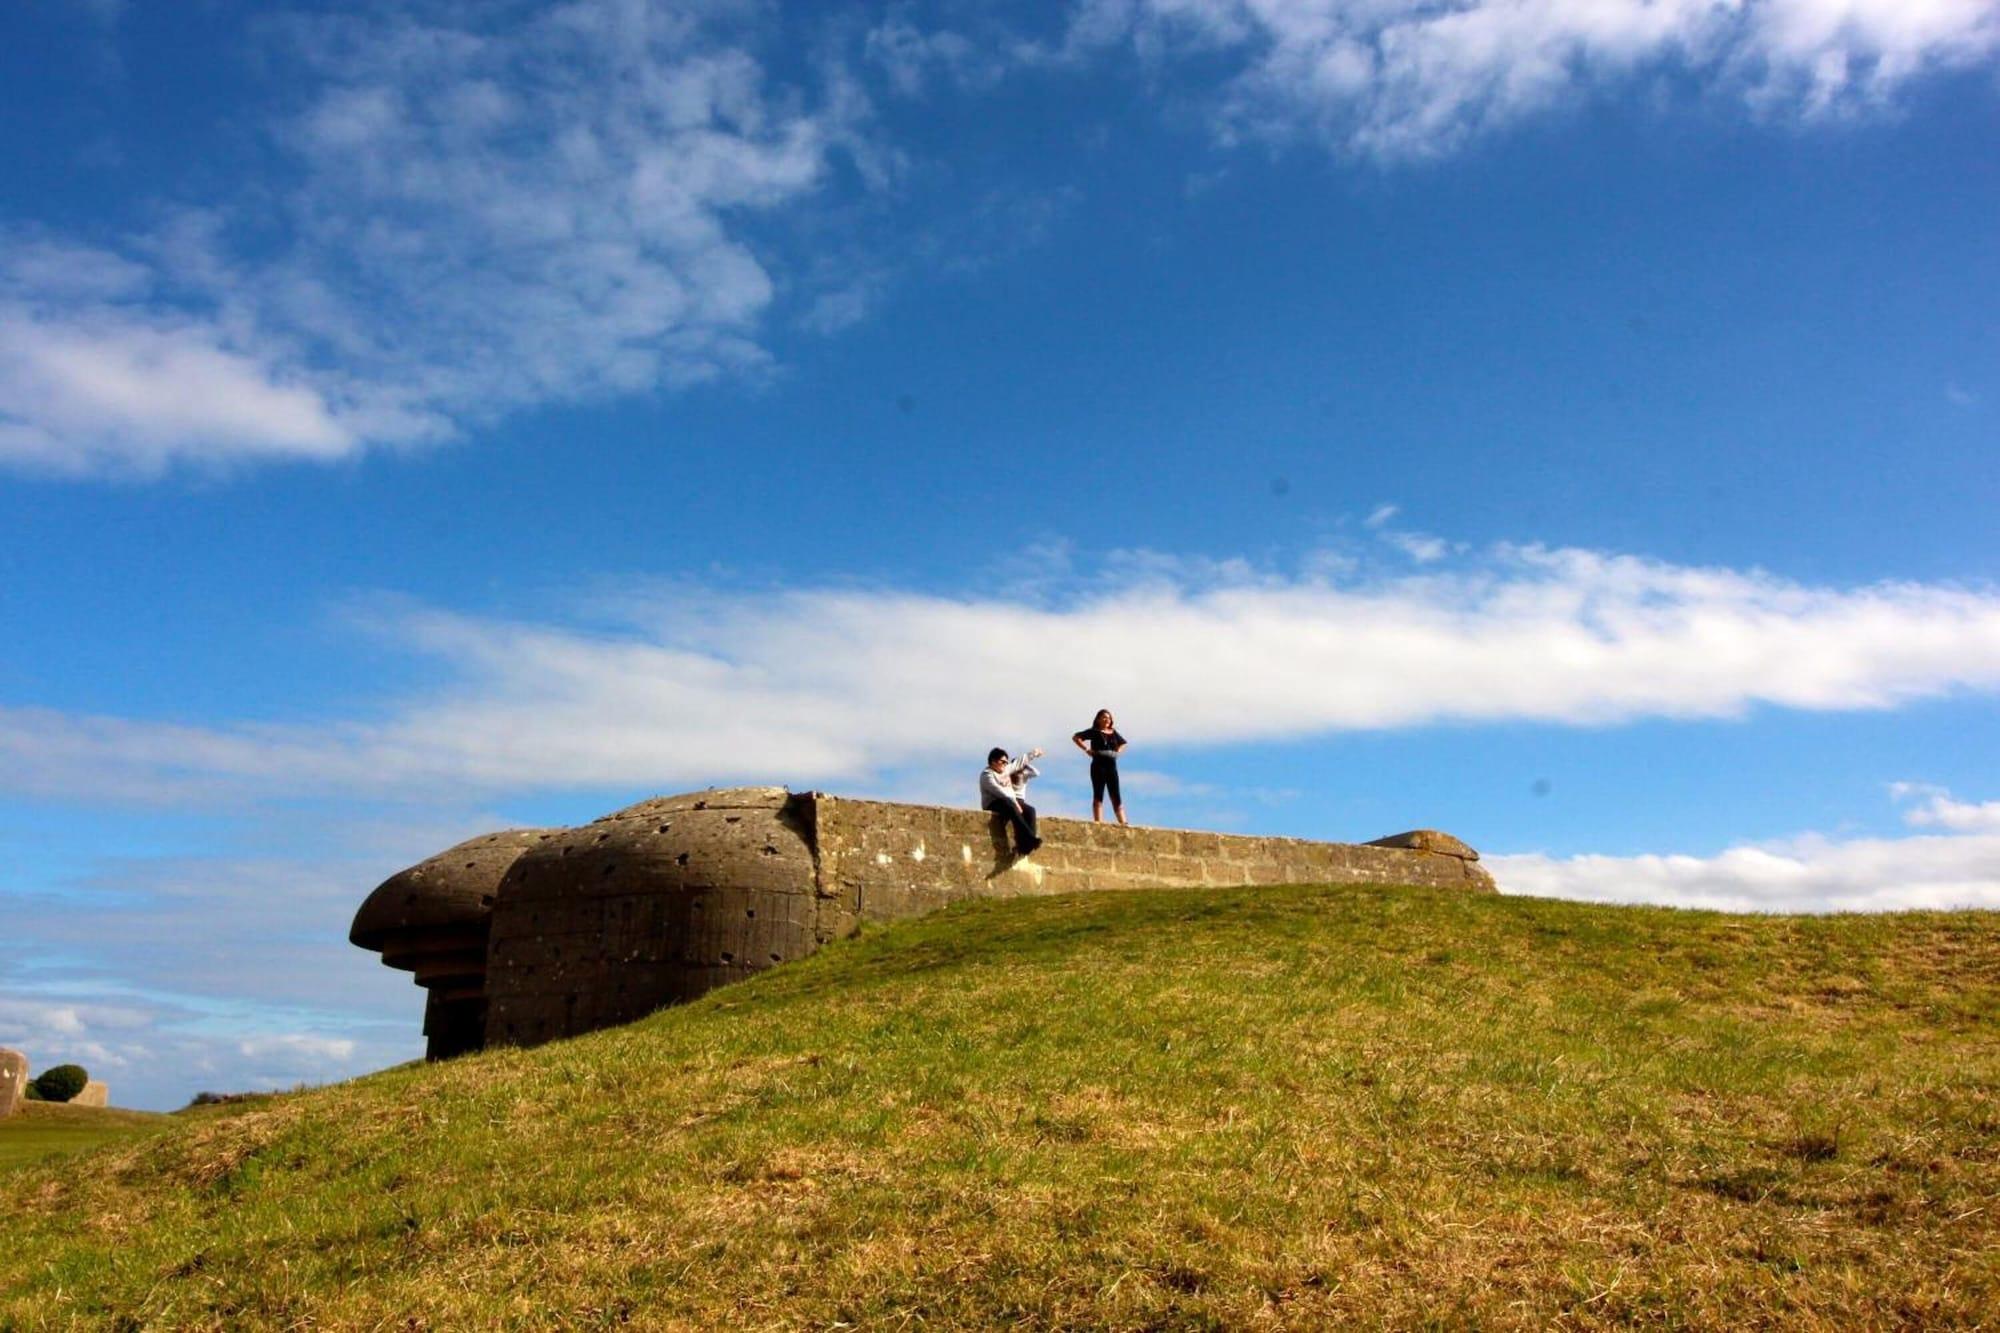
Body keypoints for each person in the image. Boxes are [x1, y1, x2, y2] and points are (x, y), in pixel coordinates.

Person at [979, 747, 1041, 854]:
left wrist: (1034, 753)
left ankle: (1025, 847)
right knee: (1011, 806)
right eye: (1002, 762)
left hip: (1009, 801)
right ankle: (1030, 839)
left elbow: (1020, 762)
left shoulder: (1006, 769)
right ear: (993, 761)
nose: (1005, 764)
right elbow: (999, 791)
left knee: (1030, 810)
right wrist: (1015, 803)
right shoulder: (986, 775)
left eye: (1006, 762)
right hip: (993, 802)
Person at [1071, 708, 1128, 824]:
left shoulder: (1113, 732)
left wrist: (1118, 752)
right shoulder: (1094, 731)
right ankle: (1098, 822)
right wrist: (1086, 749)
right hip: (1098, 765)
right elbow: (1076, 737)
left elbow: (1123, 743)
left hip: (1111, 765)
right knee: (1098, 793)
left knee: (1115, 794)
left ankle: (1123, 823)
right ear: (1098, 719)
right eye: (1104, 717)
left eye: (1109, 718)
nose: (1107, 720)